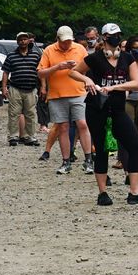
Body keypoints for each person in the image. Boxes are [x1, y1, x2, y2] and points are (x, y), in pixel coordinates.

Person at [74, 23, 138, 206]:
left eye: (118, 35)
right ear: (104, 37)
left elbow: (135, 83)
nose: (115, 38)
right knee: (102, 150)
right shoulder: (94, 58)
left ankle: (134, 191)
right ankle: (102, 192)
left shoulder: (127, 58)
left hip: (118, 109)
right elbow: (73, 72)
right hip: (97, 109)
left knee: (135, 146)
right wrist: (87, 79)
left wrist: (114, 87)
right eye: (112, 35)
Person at [39, 25, 96, 175]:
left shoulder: (80, 49)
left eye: (69, 41)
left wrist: (79, 69)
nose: (67, 44)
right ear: (57, 39)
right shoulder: (49, 50)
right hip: (57, 95)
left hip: (78, 92)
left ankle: (88, 160)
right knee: (62, 127)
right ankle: (66, 161)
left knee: (83, 124)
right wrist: (57, 67)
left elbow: (88, 68)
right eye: (64, 41)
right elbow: (41, 73)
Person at [2, 31, 42, 147]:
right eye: (20, 39)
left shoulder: (35, 55)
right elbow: (5, 72)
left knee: (31, 114)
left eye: (25, 39)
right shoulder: (11, 55)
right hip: (15, 88)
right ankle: (13, 137)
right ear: (17, 41)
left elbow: (40, 71)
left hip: (31, 88)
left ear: (29, 40)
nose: (22, 41)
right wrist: (4, 87)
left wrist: (43, 86)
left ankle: (31, 136)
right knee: (14, 113)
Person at [115, 35, 138, 172]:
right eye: (135, 48)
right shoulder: (123, 62)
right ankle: (124, 162)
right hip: (127, 99)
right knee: (126, 131)